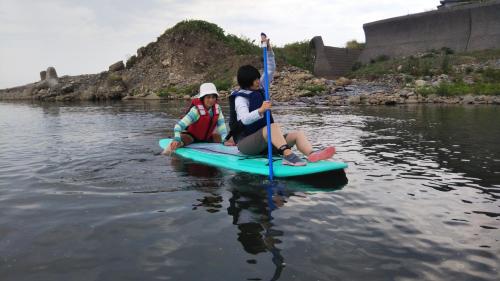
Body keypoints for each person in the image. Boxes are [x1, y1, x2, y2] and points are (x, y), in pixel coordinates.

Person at [226, 33, 335, 166]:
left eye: (257, 78)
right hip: (246, 145)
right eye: (254, 79)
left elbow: (270, 69)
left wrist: (269, 50)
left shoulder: (260, 87)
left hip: (266, 142)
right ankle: (288, 156)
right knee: (272, 127)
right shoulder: (240, 98)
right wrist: (260, 110)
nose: (257, 81)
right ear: (247, 81)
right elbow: (244, 119)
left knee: (297, 134)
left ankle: (312, 154)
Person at [163, 82, 234, 155]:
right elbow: (178, 126)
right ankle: (166, 154)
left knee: (230, 140)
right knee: (176, 144)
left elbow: (222, 127)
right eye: (208, 97)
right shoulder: (196, 111)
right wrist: (177, 138)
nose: (211, 100)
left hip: (207, 137)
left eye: (213, 97)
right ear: (203, 98)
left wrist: (225, 140)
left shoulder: (217, 109)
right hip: (191, 137)